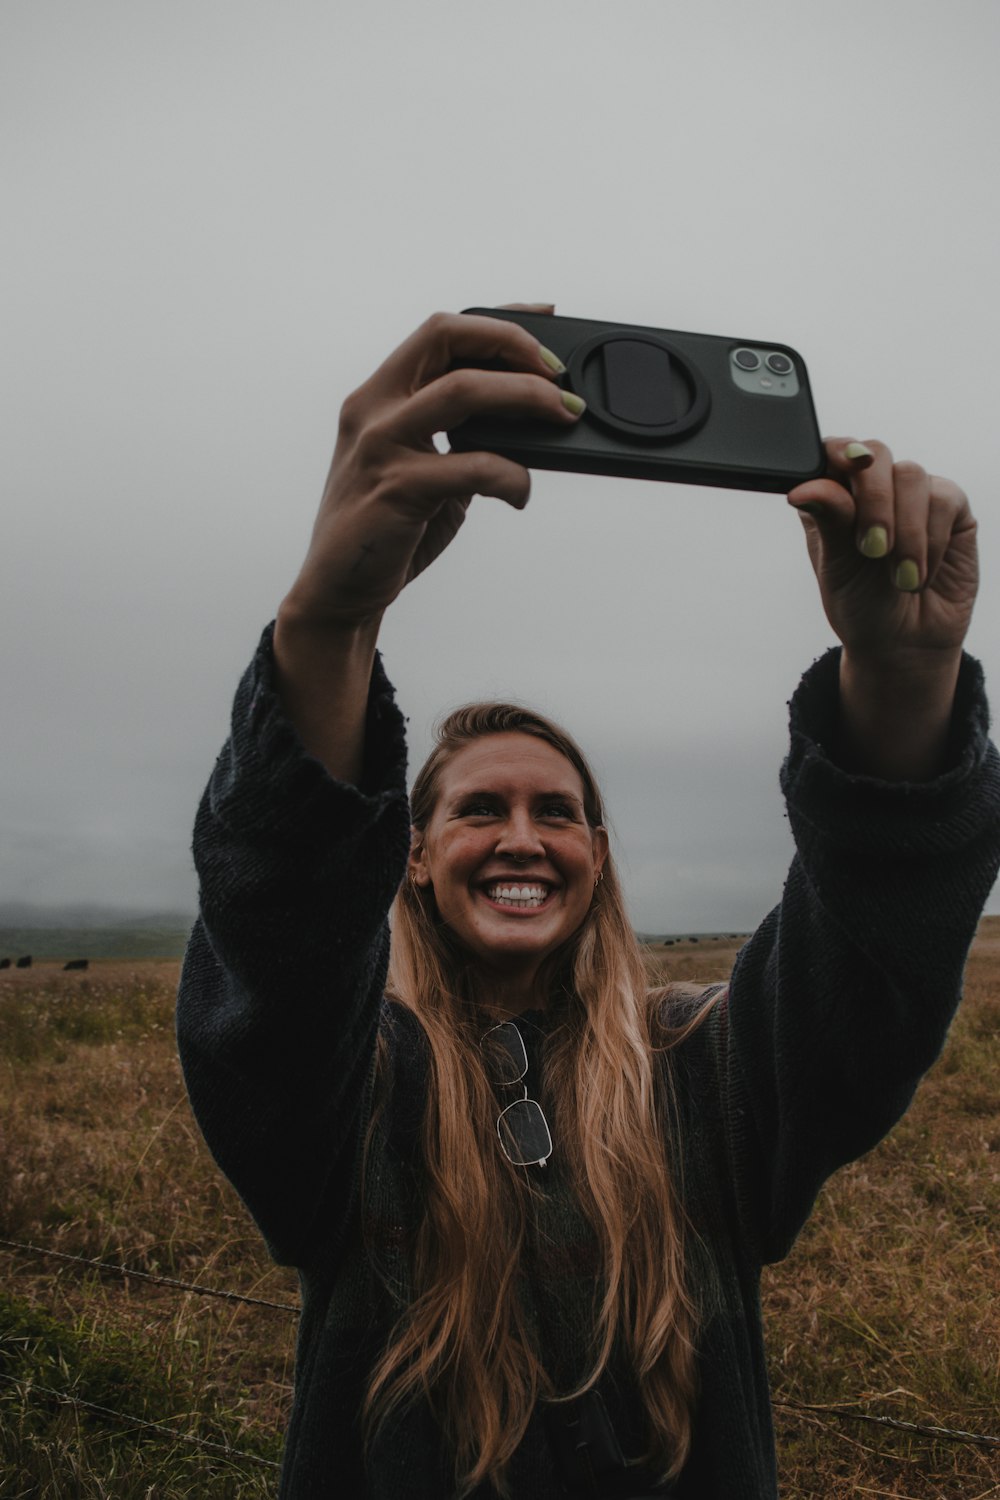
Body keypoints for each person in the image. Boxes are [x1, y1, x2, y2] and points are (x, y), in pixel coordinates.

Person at [176, 306, 1000, 1499]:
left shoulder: (706, 1074)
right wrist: (328, 625)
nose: (523, 837)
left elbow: (871, 967)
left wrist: (906, 680)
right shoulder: (349, 1087)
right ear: (407, 854)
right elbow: (273, 961)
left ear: (598, 856)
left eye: (556, 811)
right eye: (478, 810)